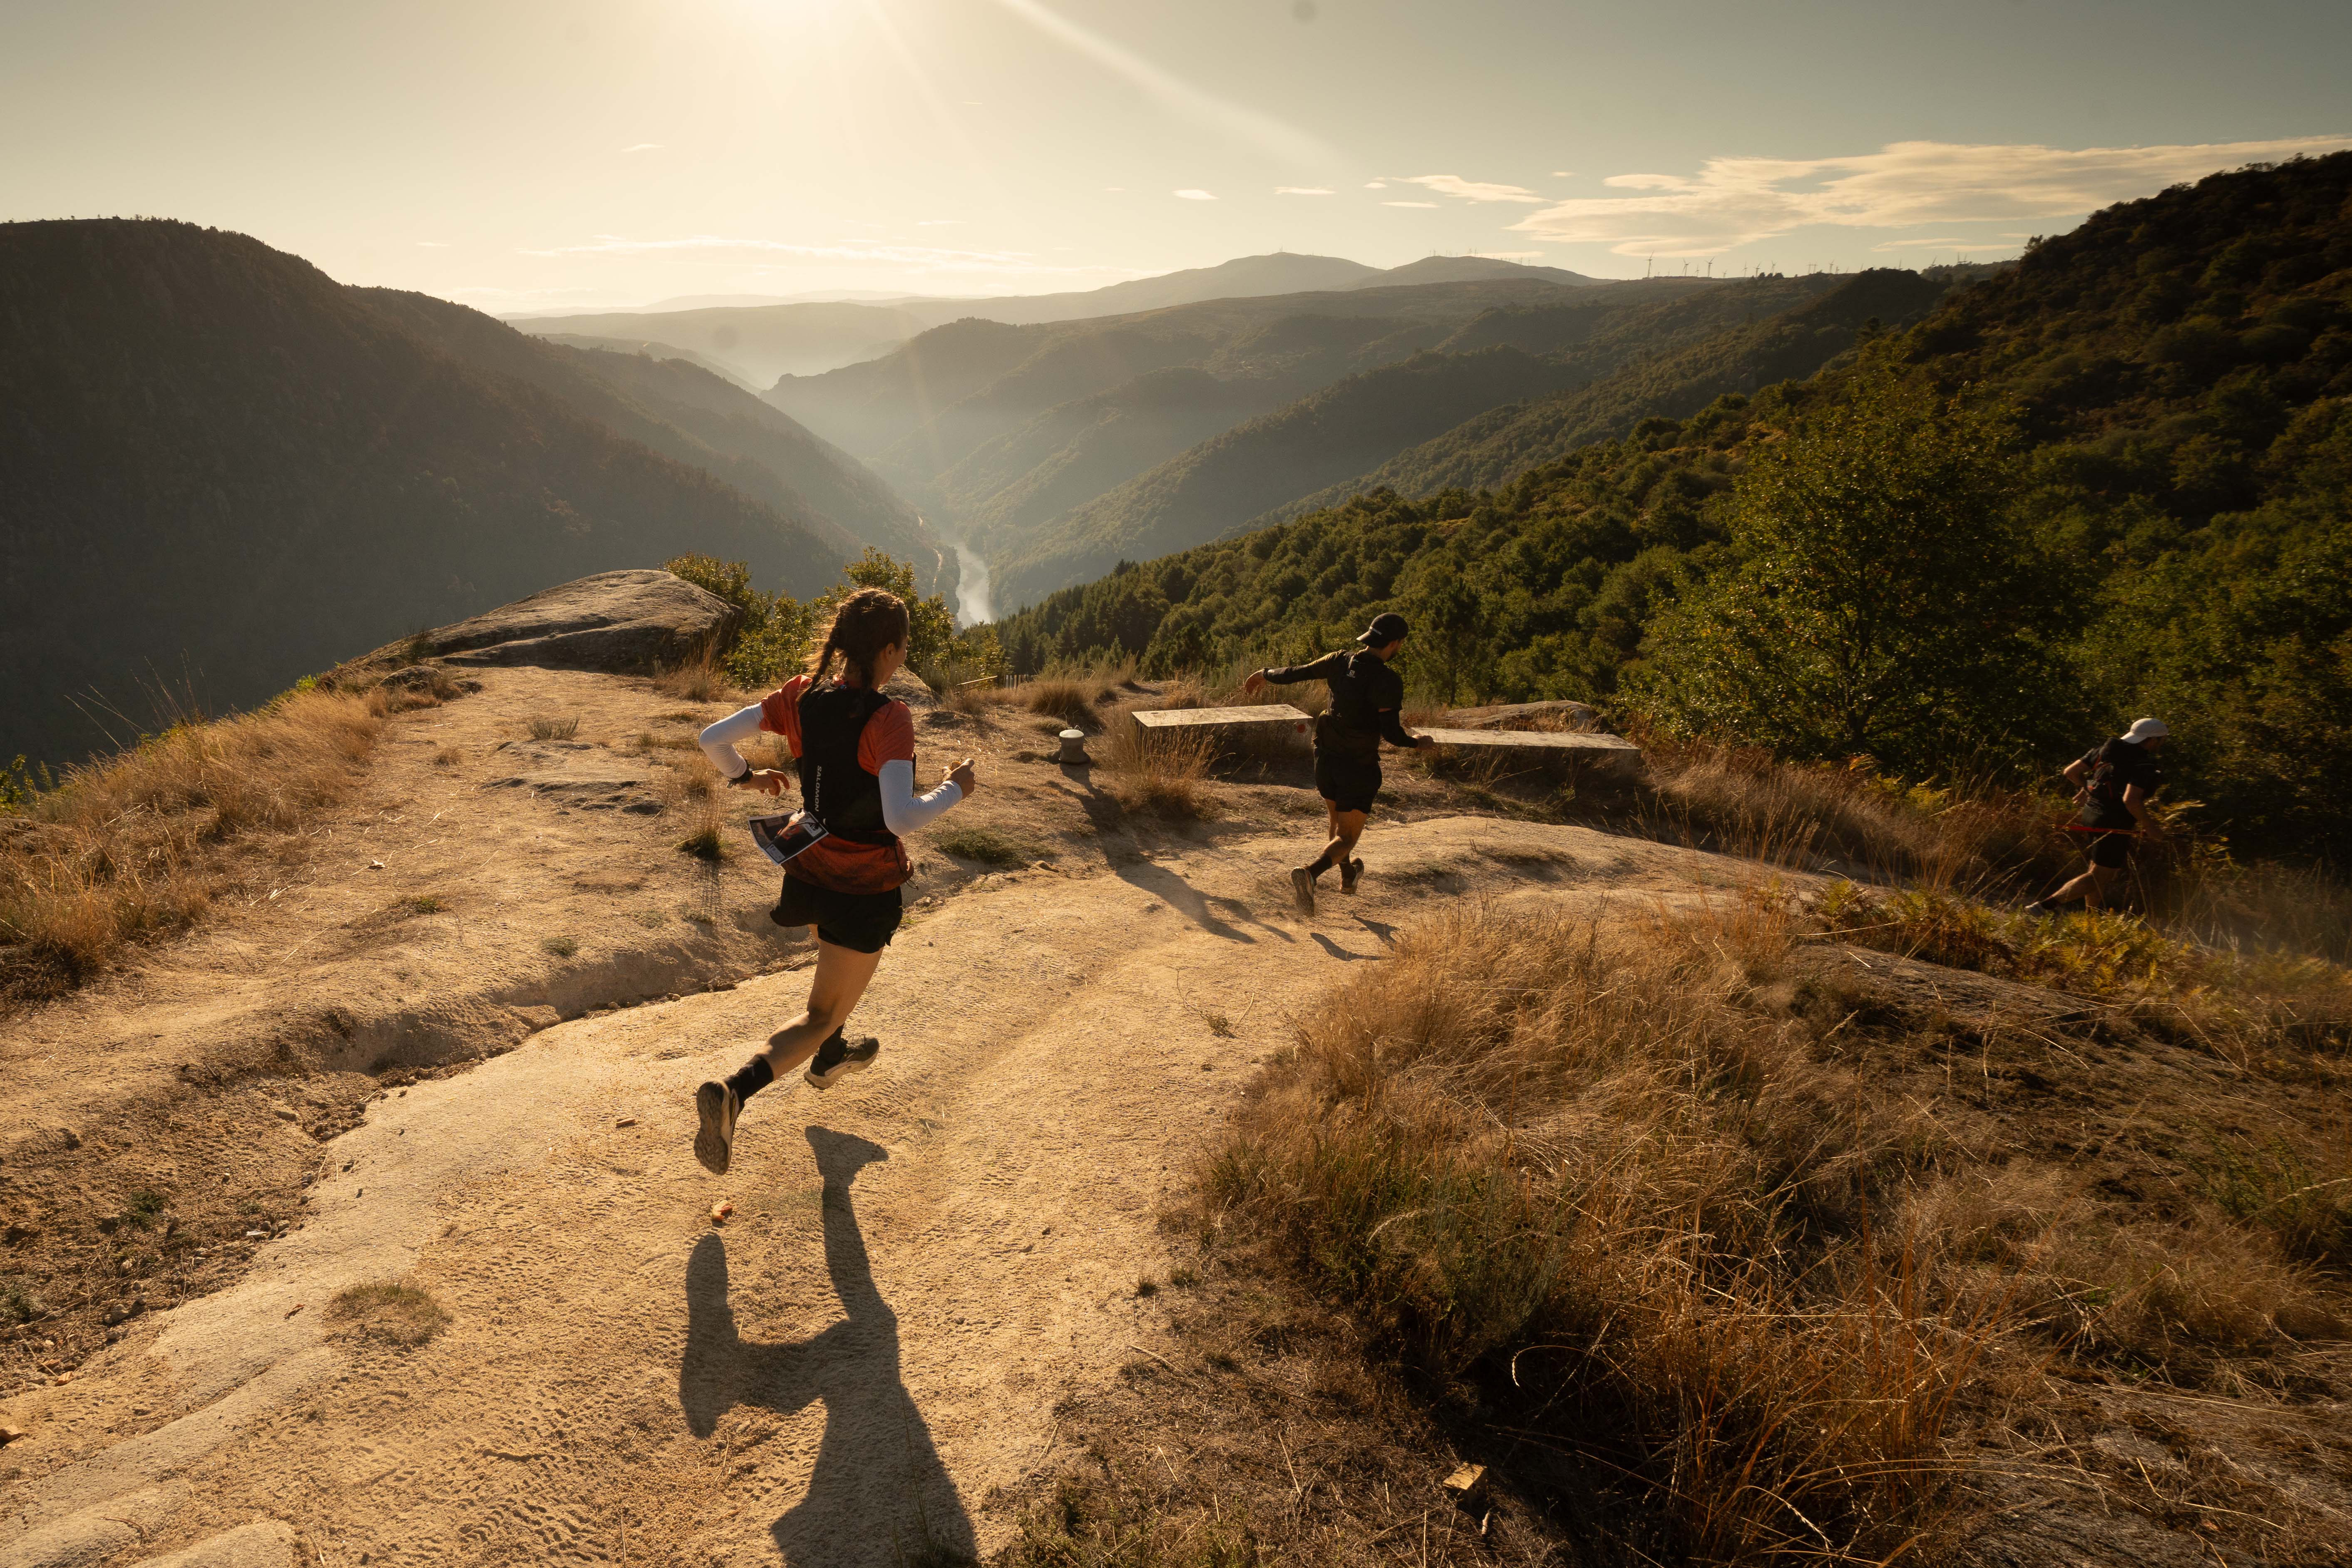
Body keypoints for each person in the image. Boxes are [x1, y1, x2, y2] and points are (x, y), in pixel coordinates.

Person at [688, 587, 977, 1175]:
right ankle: (735, 1091)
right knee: (821, 1009)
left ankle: (833, 1055)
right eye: (902, 651)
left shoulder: (799, 695)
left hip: (809, 866)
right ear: (890, 651)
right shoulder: (889, 718)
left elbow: (711, 738)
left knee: (834, 980)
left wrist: (747, 777)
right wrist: (956, 788)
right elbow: (900, 817)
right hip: (863, 885)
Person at [1242, 611, 1435, 914]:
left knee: (1336, 824)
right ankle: (1310, 874)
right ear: (1395, 643)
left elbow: (1297, 672)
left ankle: (1348, 875)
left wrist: (1264, 673)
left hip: (1325, 758)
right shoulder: (1387, 680)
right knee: (1347, 836)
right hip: (1357, 766)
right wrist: (1418, 742)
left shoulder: (1339, 660)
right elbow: (1392, 734)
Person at [2026, 716, 2168, 916]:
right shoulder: (2143, 765)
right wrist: (2150, 827)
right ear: (2153, 740)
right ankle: (2044, 907)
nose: (2162, 744)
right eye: (2162, 740)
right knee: (2099, 876)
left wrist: (2088, 790)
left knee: (2097, 871)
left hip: (2091, 815)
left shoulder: (2103, 751)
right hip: (2114, 822)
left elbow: (2071, 772)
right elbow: (2131, 801)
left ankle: (2091, 919)